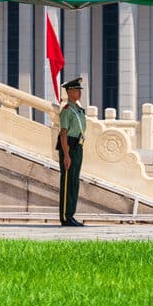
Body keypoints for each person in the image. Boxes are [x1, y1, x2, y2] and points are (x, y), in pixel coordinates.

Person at [57, 77, 86, 227]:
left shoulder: (78, 110)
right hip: (69, 147)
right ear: (69, 92)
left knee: (74, 182)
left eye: (79, 90)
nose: (78, 93)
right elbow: (63, 133)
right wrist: (66, 155)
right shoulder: (67, 111)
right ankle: (65, 216)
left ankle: (71, 214)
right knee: (67, 182)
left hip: (78, 147)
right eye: (75, 90)